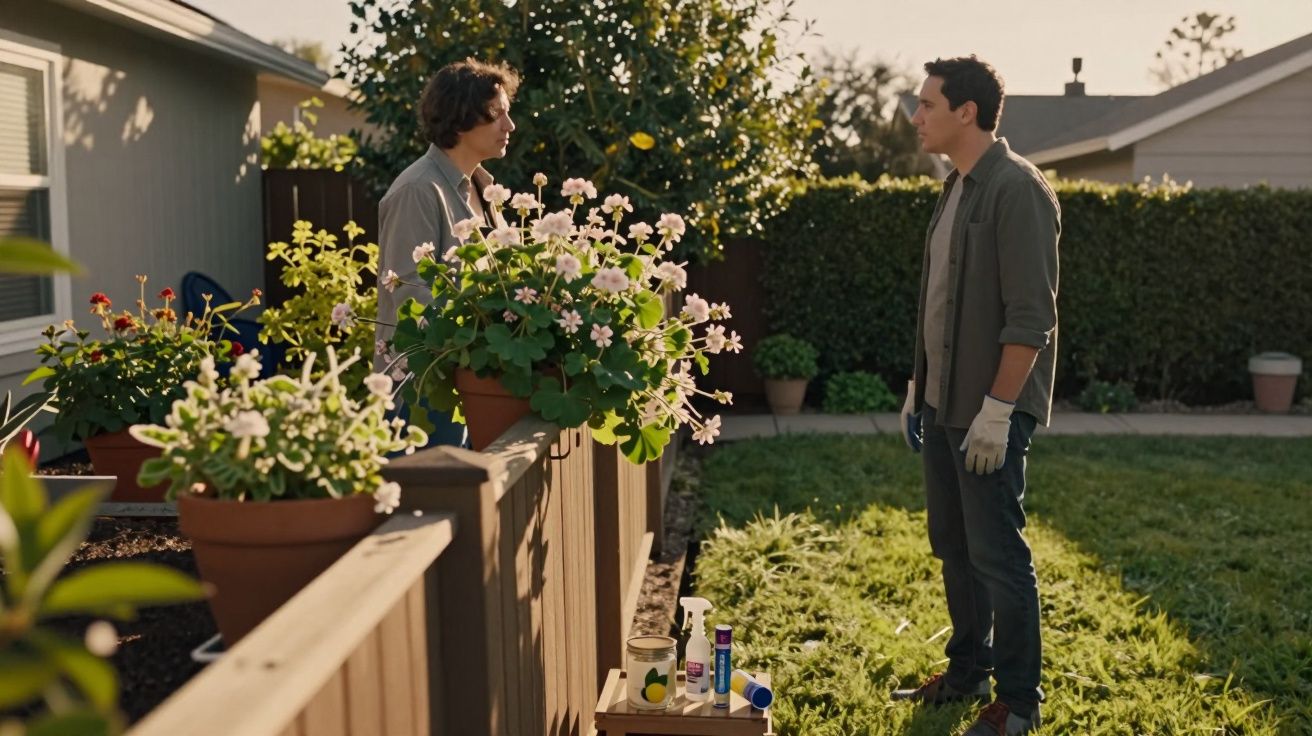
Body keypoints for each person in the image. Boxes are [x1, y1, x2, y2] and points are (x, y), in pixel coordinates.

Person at [891, 56, 1060, 736]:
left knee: (999, 556)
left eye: (927, 103)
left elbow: (1030, 320)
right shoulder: (955, 187)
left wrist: (997, 412)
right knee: (954, 548)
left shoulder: (1016, 190)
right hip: (942, 405)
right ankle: (968, 671)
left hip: (987, 412)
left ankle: (1018, 701)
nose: (916, 115)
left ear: (966, 111)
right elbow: (940, 302)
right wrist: (918, 389)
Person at [374, 58, 519, 446]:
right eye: (497, 116)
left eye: (508, 114)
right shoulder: (418, 191)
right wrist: (484, 338)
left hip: (473, 388)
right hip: (422, 398)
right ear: (459, 120)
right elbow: (409, 295)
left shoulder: (485, 191)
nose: (510, 126)